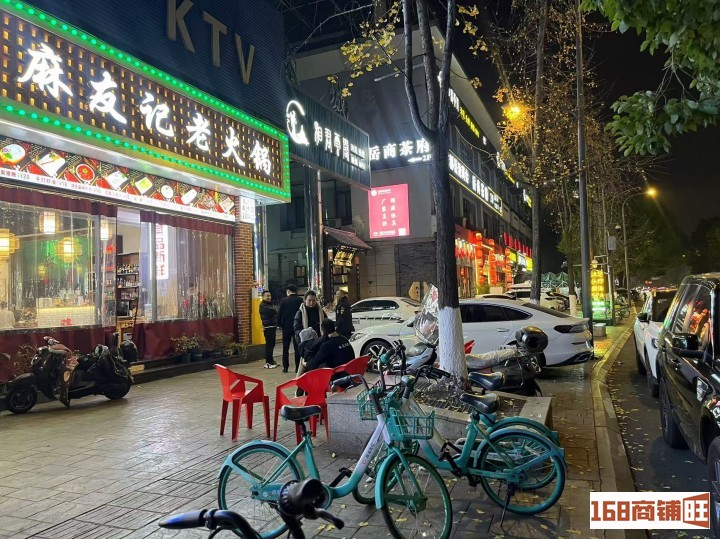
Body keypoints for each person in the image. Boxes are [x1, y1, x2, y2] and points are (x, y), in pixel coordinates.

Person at [277, 284, 303, 373]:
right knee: (297, 347)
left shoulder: (284, 301)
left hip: (286, 327)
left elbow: (279, 314)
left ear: (288, 291)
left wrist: (279, 324)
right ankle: (297, 367)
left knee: (285, 347)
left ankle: (285, 367)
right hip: (297, 327)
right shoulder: (300, 300)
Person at [259, 290, 278, 369]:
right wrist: (275, 310)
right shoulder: (263, 305)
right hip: (268, 327)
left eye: (269, 296)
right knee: (269, 345)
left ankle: (271, 360)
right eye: (267, 296)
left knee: (272, 344)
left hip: (272, 326)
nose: (269, 297)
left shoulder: (269, 304)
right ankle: (268, 362)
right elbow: (273, 311)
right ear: (263, 297)